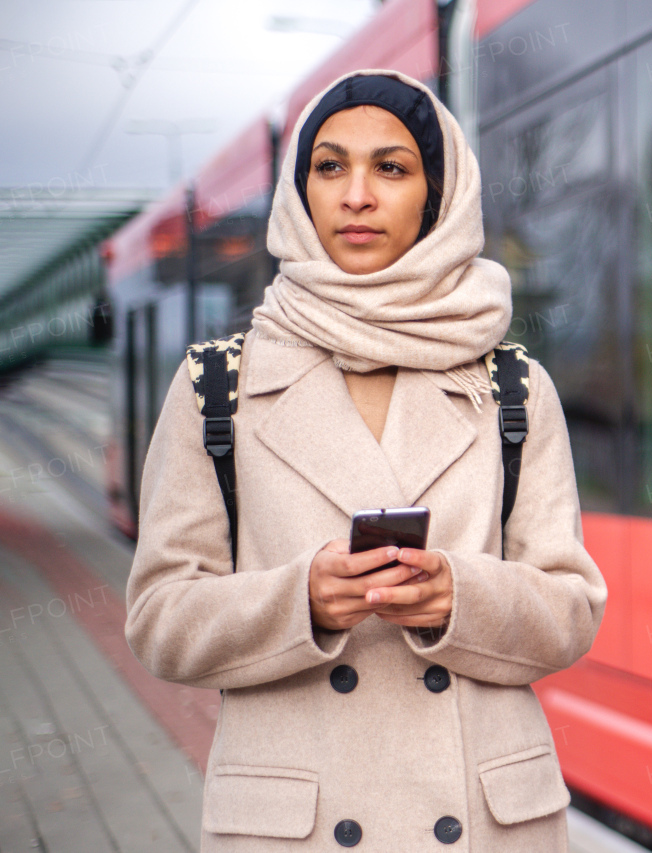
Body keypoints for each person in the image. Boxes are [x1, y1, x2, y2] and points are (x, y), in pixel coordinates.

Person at [125, 69, 607, 851]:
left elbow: (571, 610)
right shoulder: (219, 385)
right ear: (300, 192)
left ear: (437, 193)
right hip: (295, 829)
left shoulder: (512, 384)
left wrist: (460, 597)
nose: (356, 194)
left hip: (485, 826)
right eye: (329, 166)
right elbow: (158, 620)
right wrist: (299, 601)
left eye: (391, 167)